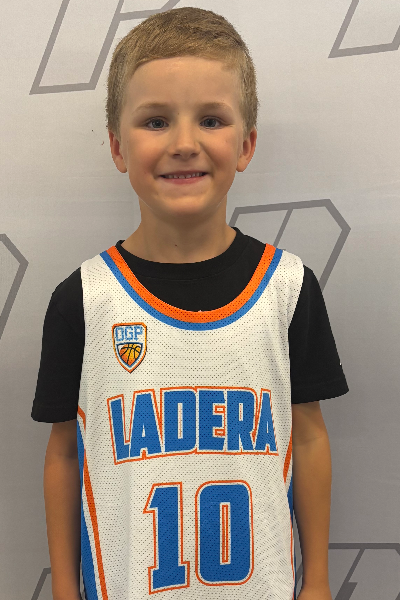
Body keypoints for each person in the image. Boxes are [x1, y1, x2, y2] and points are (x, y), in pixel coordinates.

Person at [31, 7, 348, 600]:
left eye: (211, 119)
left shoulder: (288, 288)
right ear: (118, 147)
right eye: (156, 121)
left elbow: (307, 438)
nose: (184, 144)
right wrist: (65, 589)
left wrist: (319, 580)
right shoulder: (84, 299)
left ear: (246, 144)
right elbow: (64, 454)